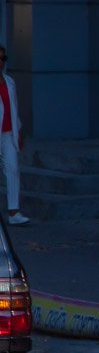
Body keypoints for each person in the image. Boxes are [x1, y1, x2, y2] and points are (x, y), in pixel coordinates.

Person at [0, 46, 26, 226]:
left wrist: (19, 131)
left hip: (8, 133)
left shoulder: (9, 82)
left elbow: (14, 110)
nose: (0, 61)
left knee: (13, 169)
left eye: (3, 58)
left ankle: (14, 211)